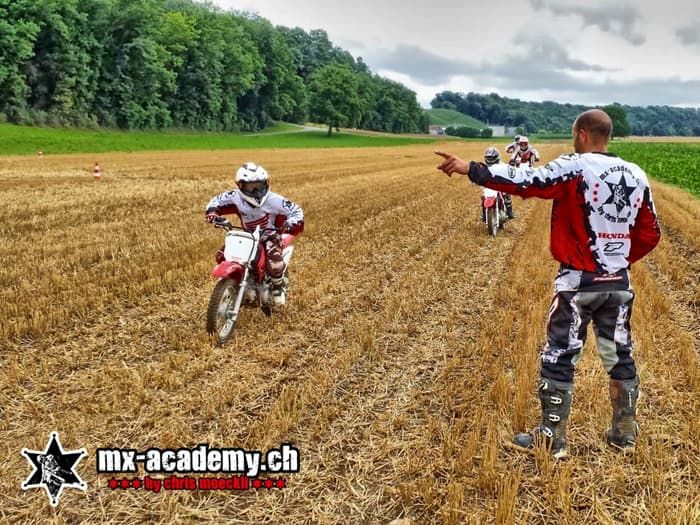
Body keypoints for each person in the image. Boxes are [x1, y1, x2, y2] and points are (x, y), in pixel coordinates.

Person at [435, 109, 661, 458]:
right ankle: (624, 434)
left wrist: (473, 170)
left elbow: (527, 180)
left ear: (582, 134)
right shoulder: (636, 174)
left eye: (574, 132)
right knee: (620, 356)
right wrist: (618, 261)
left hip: (577, 282)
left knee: (559, 356)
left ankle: (552, 439)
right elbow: (650, 233)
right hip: (618, 283)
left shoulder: (574, 166)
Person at [205, 162, 304, 306]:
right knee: (222, 255)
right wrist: (213, 213)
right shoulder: (234, 197)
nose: (257, 190)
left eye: (260, 185)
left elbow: (296, 210)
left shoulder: (274, 199)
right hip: (247, 236)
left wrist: (291, 223)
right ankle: (240, 283)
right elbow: (216, 202)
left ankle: (278, 287)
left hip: (270, 235)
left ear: (266, 183)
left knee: (275, 263)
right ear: (240, 185)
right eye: (252, 186)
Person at [481, 147, 515, 220]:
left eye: (492, 158)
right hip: (489, 185)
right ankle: (484, 214)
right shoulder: (483, 166)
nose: (490, 160)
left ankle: (510, 212)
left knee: (507, 194)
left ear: (497, 157)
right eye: (488, 158)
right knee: (483, 196)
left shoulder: (502, 165)